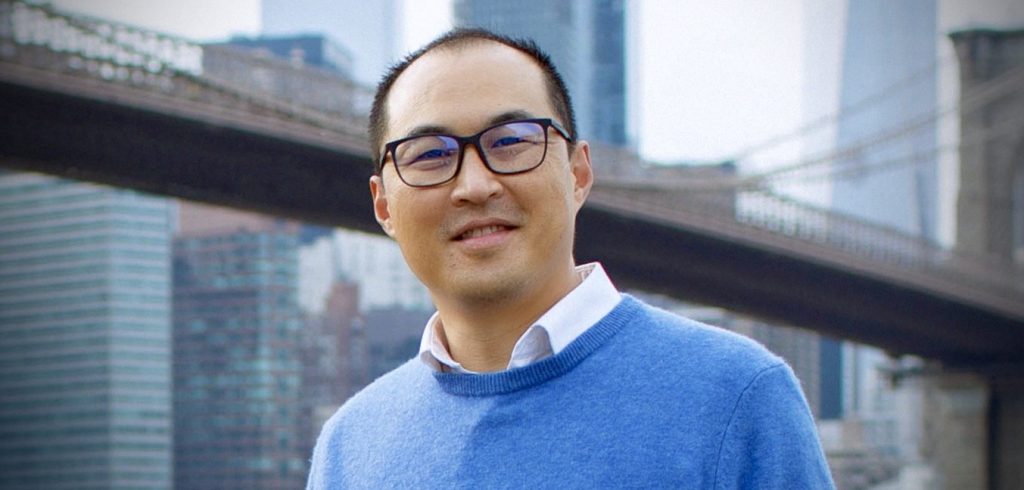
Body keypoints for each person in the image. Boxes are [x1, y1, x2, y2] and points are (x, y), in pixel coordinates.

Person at [308, 28, 834, 489]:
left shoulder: (738, 397)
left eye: (511, 141)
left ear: (578, 174)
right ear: (383, 205)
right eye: (429, 155)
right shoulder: (350, 445)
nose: (473, 185)